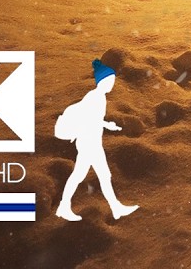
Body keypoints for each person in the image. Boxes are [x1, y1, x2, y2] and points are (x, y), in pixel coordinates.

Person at [55, 59, 138, 221]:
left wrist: (107, 125)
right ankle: (65, 207)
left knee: (96, 175)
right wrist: (105, 125)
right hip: (89, 143)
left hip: (91, 142)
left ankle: (115, 207)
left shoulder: (98, 97)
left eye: (113, 80)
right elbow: (90, 119)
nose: (112, 84)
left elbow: (94, 119)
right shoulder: (95, 97)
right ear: (102, 81)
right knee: (87, 175)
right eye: (110, 80)